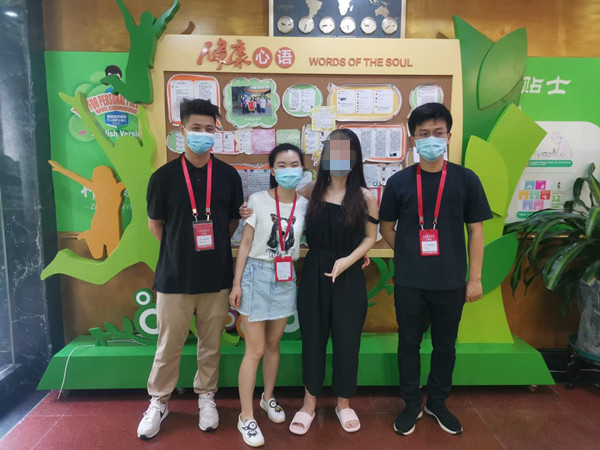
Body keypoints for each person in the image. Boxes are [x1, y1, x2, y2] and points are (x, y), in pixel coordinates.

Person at [378, 102, 492, 436]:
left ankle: (437, 402)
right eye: (424, 133)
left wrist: (475, 279)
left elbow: (476, 231)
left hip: (451, 281)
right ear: (414, 139)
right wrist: (408, 253)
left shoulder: (466, 179)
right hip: (410, 281)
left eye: (438, 133)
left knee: (445, 346)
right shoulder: (399, 181)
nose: (431, 139)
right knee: (408, 343)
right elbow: (386, 227)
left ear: (449, 137)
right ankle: (411, 402)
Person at [138, 99, 243, 440]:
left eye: (209, 129)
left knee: (210, 344)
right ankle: (159, 401)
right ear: (181, 130)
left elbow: (230, 223)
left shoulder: (228, 176)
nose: (202, 134)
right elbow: (156, 225)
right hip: (174, 277)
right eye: (195, 128)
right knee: (168, 345)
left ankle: (206, 396)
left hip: (216, 277)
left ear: (216, 132)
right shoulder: (163, 177)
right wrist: (179, 250)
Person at [288, 129, 378, 435]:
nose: (338, 157)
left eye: (345, 151)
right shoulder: (309, 191)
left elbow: (371, 237)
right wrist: (249, 209)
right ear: (325, 154)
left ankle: (343, 403)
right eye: (333, 150)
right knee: (312, 337)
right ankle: (308, 403)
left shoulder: (365, 197)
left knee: (347, 339)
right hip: (314, 271)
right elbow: (279, 209)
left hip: (349, 274)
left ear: (355, 157)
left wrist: (349, 259)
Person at [230, 144, 309, 447]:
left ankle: (268, 397)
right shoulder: (257, 200)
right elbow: (246, 243)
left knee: (274, 344)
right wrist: (237, 283)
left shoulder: (305, 205)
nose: (289, 170)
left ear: (302, 169)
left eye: (294, 164)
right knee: (255, 350)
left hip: (286, 276)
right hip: (257, 274)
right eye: (282, 165)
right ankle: (246, 416)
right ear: (273, 170)